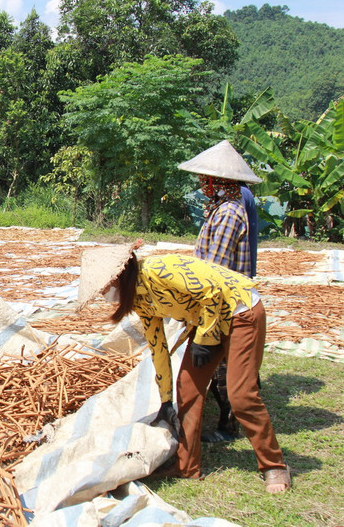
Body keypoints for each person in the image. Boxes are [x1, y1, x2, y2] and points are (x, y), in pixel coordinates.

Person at [76, 243, 291, 493]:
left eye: (104, 288)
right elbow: (158, 347)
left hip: (239, 312)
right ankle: (187, 465)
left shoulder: (158, 270)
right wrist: (166, 400)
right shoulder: (140, 300)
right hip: (207, 323)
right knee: (187, 389)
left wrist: (203, 340)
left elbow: (213, 292)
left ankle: (273, 465)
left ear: (118, 277)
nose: (105, 294)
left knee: (241, 395)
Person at [179, 140, 262, 441]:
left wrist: (192, 302)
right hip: (221, 298)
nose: (201, 185)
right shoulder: (219, 209)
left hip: (224, 301)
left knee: (221, 365)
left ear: (216, 181)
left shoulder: (228, 214)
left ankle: (229, 424)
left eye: (204, 180)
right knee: (222, 362)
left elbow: (214, 268)